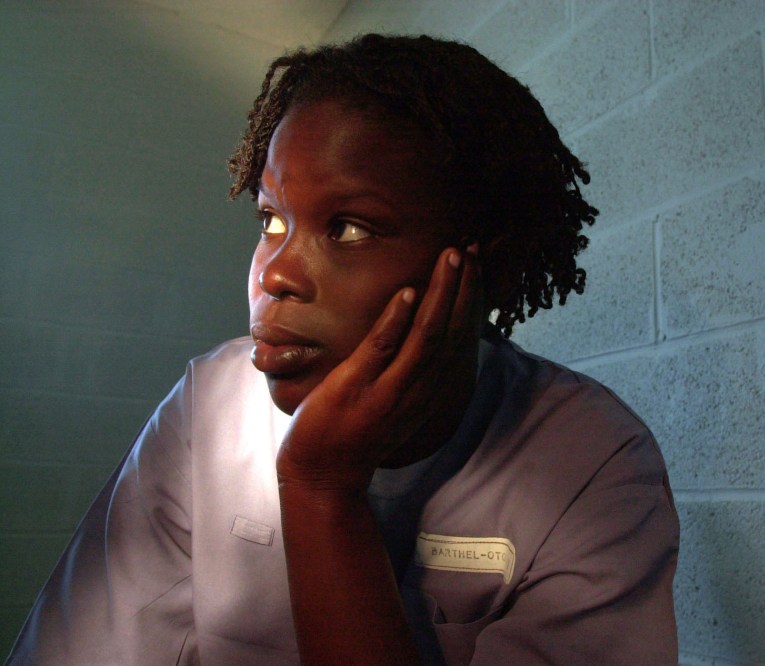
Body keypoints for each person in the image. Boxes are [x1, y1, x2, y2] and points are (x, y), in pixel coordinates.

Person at [10, 34, 679, 665]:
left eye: (349, 228)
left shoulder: (591, 458)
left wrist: (321, 489)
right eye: (271, 219)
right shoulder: (211, 405)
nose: (275, 274)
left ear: (485, 271)